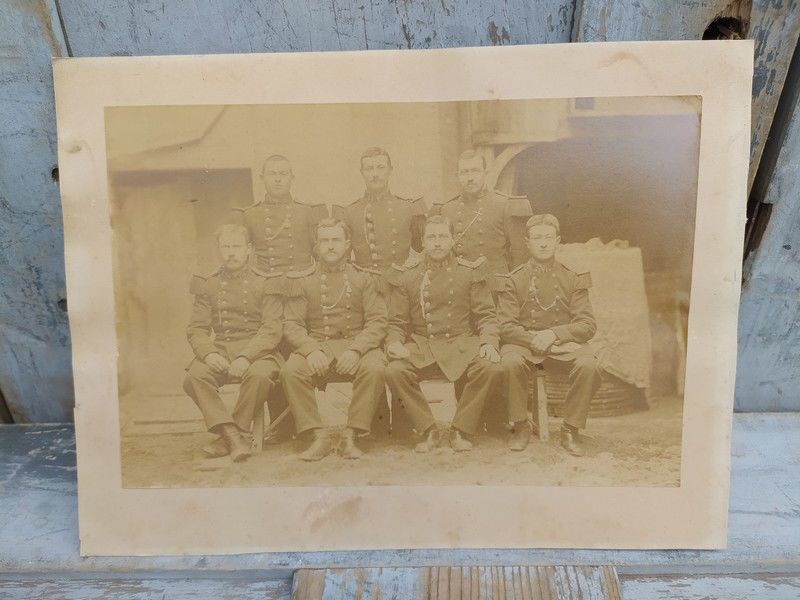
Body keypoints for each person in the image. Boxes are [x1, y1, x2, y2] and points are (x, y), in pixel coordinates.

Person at [384, 215, 503, 452]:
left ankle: (461, 429)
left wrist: (489, 342)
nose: (437, 243)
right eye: (431, 237)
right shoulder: (408, 274)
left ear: (452, 240)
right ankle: (428, 429)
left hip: (461, 346)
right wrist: (394, 342)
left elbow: (487, 316)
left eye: (442, 236)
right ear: (423, 242)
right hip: (424, 348)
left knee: (490, 367)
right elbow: (397, 322)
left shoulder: (470, 272)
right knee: (395, 370)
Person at [280, 218, 388, 461]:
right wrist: (311, 350)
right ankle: (318, 436)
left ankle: (352, 435)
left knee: (374, 367)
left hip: (356, 346)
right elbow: (292, 323)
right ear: (316, 246)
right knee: (290, 370)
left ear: (347, 244)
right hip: (319, 347)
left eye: (336, 240)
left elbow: (377, 321)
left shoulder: (364, 278)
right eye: (324, 241)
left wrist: (356, 350)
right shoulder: (303, 280)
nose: (330, 246)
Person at [496, 214, 602, 455]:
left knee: (590, 366)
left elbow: (587, 324)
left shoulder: (573, 277)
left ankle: (570, 428)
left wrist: (554, 335)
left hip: (564, 344)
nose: (543, 243)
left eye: (548, 238)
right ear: (527, 242)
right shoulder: (514, 280)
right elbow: (506, 326)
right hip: (524, 343)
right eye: (537, 238)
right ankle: (520, 426)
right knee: (510, 362)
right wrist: (536, 340)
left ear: (558, 241)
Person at [182, 224, 287, 462]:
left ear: (248, 249)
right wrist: (209, 354)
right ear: (219, 250)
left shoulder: (266, 282)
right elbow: (197, 328)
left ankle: (234, 433)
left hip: (260, 352)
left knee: (259, 376)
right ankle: (233, 436)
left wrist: (245, 357)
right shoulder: (208, 284)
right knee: (194, 377)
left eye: (237, 247)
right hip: (221, 349)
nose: (231, 252)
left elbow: (272, 328)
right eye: (226, 247)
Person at [430, 149, 532, 275]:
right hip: (459, 287)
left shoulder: (504, 205)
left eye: (475, 171)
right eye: (464, 172)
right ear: (457, 176)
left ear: (485, 173)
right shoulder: (446, 209)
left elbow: (521, 254)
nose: (470, 178)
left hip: (496, 286)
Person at [332, 147, 426, 273]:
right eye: (369, 169)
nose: (375, 174)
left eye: (381, 167)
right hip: (365, 285)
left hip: (401, 284)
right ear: (362, 172)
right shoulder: (349, 211)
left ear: (390, 170)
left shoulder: (409, 207)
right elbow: (342, 258)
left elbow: (426, 248)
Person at [231, 154, 329, 275]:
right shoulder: (249, 214)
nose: (277, 179)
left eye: (283, 174)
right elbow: (238, 258)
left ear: (292, 178)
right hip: (265, 283)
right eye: (272, 174)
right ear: (262, 178)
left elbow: (323, 255)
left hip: (302, 282)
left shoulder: (309, 211)